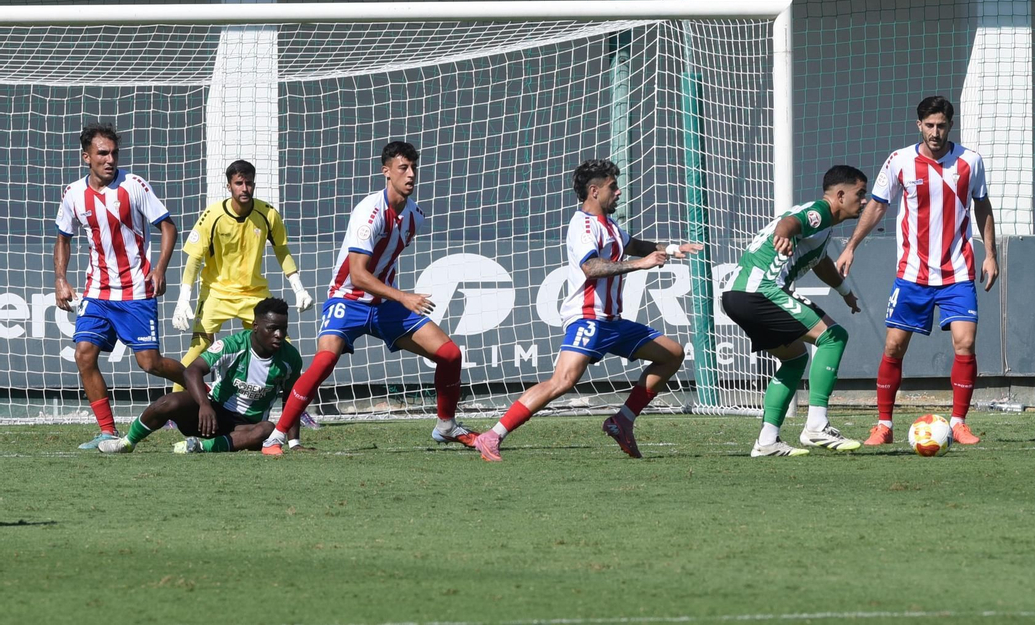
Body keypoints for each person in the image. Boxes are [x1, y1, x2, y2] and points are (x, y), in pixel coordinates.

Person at [473, 159, 702, 461]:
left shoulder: (611, 225)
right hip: (588, 319)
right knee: (562, 382)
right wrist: (641, 265)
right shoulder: (582, 225)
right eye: (612, 187)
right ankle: (492, 436)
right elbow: (591, 267)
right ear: (594, 191)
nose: (618, 192)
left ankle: (622, 421)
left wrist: (671, 249)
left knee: (672, 354)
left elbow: (633, 244)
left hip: (613, 322)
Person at [260, 141, 478, 455]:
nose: (411, 175)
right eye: (403, 168)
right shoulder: (369, 213)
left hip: (383, 305)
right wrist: (403, 297)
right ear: (386, 172)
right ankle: (276, 437)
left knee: (449, 354)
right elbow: (359, 274)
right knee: (323, 362)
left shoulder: (415, 216)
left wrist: (395, 299)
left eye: (414, 168)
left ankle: (446, 426)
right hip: (346, 300)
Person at [837, 95, 998, 447]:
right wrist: (850, 247)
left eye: (941, 126)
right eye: (929, 126)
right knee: (894, 347)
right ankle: (883, 425)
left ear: (950, 126)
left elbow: (982, 207)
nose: (935, 132)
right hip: (912, 274)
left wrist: (991, 254)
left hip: (957, 270)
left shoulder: (970, 162)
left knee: (965, 343)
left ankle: (958, 423)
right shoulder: (899, 162)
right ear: (919, 126)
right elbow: (877, 207)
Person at [53, 123, 188, 449]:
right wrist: (60, 278)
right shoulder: (73, 194)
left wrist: (159, 269)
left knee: (150, 364)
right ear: (86, 157)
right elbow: (63, 238)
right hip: (98, 291)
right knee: (84, 355)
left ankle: (199, 386)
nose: (110, 159)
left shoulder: (134, 186)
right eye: (102, 153)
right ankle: (107, 431)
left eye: (114, 153)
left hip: (136, 292)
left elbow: (168, 227)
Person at [724, 165, 870, 457]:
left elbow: (821, 263)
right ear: (840, 195)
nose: (864, 201)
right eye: (860, 194)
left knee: (793, 360)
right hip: (760, 292)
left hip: (736, 295)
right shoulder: (820, 212)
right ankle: (816, 425)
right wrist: (782, 233)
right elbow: (792, 222)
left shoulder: (822, 228)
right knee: (834, 336)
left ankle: (767, 441)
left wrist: (845, 293)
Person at [171, 159, 317, 426]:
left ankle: (296, 408)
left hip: (254, 295)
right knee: (199, 347)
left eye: (249, 182)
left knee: (284, 347)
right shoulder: (212, 216)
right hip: (216, 293)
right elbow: (193, 260)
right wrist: (183, 299)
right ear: (229, 186)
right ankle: (175, 406)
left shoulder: (268, 214)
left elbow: (282, 250)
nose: (244, 188)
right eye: (239, 183)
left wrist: (299, 287)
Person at [98, 298, 303, 454]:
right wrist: (204, 405)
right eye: (272, 328)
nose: (279, 334)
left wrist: (294, 443)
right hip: (211, 415)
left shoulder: (290, 358)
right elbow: (192, 371)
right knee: (169, 402)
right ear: (256, 326)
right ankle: (126, 443)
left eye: (283, 329)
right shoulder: (233, 345)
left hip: (246, 429)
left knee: (268, 429)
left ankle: (200, 447)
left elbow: (292, 399)